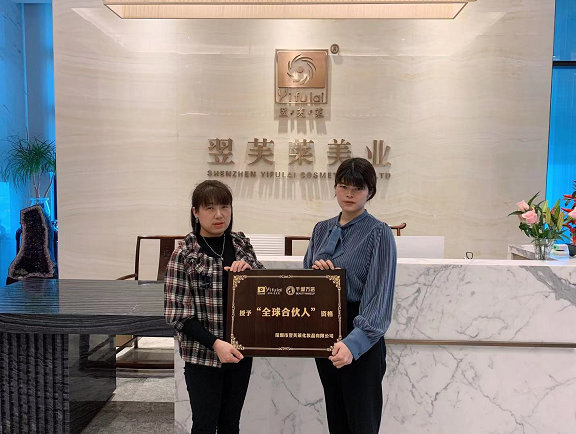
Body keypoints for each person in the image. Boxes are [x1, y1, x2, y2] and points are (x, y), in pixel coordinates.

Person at [304, 158, 397, 434]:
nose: (349, 194)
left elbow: (379, 295)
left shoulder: (378, 232)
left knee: (362, 422)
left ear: (370, 192)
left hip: (360, 336)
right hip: (325, 332)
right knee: (337, 419)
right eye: (343, 186)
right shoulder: (321, 229)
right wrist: (318, 277)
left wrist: (354, 343)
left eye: (357, 188)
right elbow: (303, 285)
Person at [165, 180, 264, 434]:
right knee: (204, 425)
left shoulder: (241, 245)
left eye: (224, 207)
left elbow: (265, 292)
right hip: (203, 355)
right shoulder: (184, 253)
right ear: (195, 212)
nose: (219, 215)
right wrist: (216, 344)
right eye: (209, 208)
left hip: (240, 352)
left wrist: (250, 273)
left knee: (231, 424)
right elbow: (177, 313)